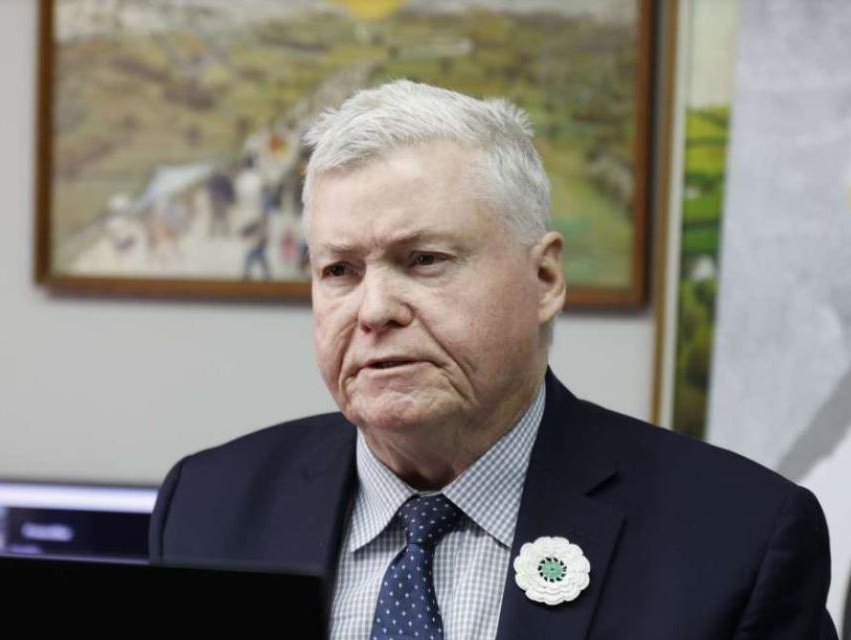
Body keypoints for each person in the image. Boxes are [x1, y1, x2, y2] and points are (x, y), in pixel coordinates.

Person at [149, 80, 838, 639]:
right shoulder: (209, 507)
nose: (374, 309)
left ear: (545, 279)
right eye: (340, 271)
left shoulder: (738, 541)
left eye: (424, 260)